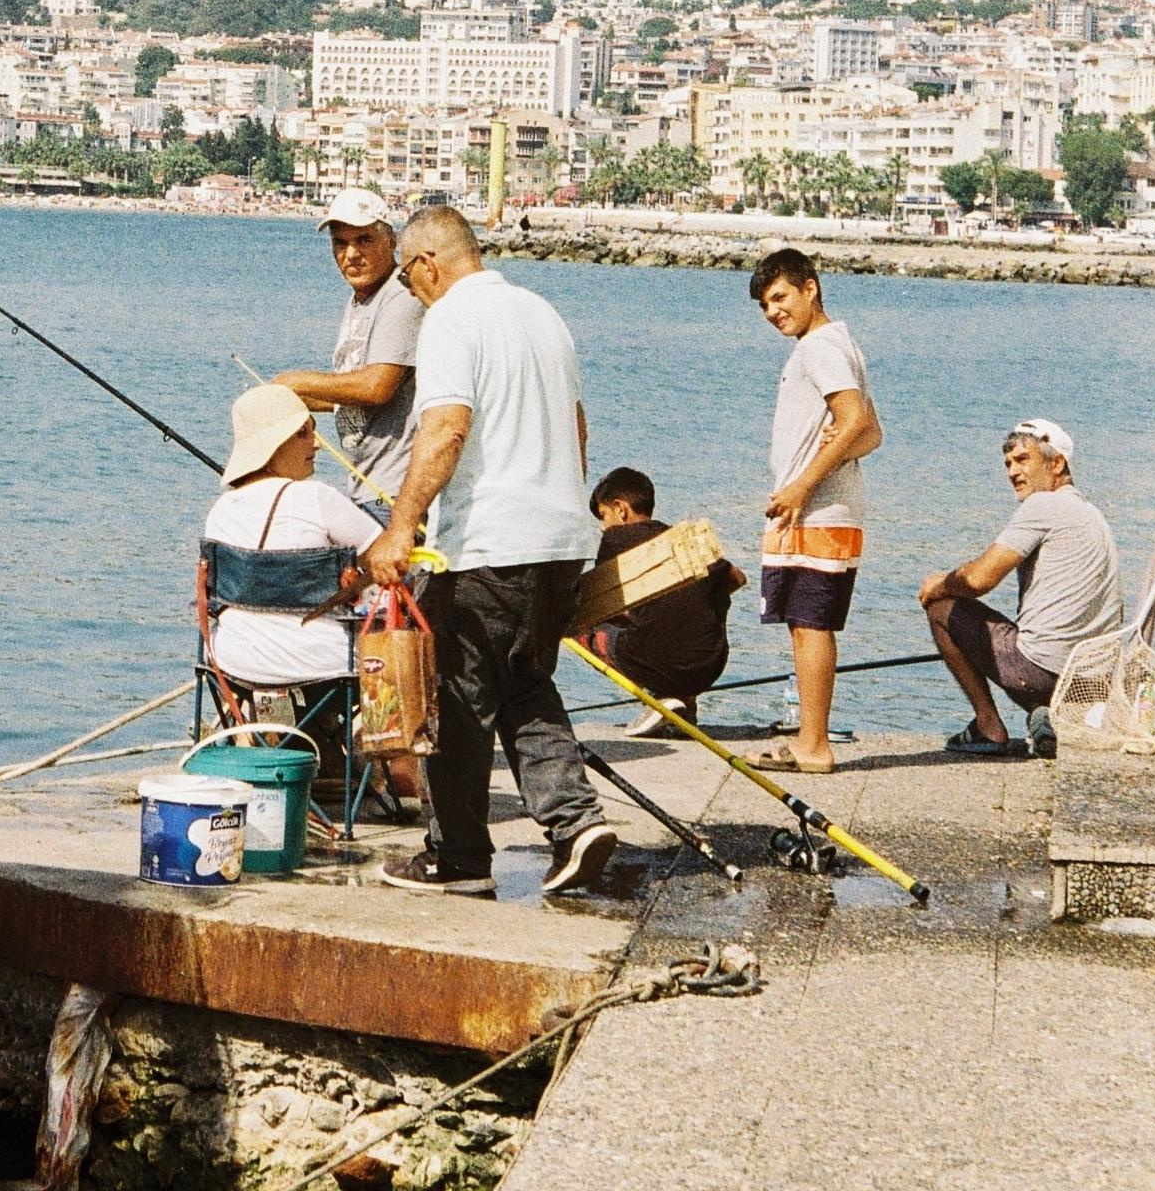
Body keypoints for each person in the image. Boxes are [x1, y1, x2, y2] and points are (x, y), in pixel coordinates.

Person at [360, 203, 615, 901]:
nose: (412, 296)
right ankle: (575, 823)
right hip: (559, 540)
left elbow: (443, 430)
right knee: (524, 685)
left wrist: (399, 527)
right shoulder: (542, 313)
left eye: (409, 283)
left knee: (456, 699)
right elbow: (576, 426)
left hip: (490, 543)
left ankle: (459, 857)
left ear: (425, 265)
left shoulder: (448, 319)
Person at [200, 380, 386, 818]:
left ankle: (291, 747)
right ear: (276, 445)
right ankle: (386, 772)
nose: (317, 444)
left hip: (234, 664)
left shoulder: (220, 512)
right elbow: (389, 561)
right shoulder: (318, 498)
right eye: (304, 432)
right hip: (322, 665)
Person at [920, 418, 1122, 758]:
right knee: (1029, 640)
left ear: (1056, 463)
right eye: (1009, 464)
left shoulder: (1043, 505)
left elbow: (979, 579)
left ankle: (988, 725)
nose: (1013, 472)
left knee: (941, 608)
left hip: (1043, 672)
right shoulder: (1091, 514)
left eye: (1023, 460)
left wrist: (938, 584)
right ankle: (1045, 715)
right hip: (1092, 681)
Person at [748, 247, 876, 777]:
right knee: (804, 624)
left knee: (810, 624)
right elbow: (870, 431)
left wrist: (801, 486)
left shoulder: (821, 346)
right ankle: (810, 737)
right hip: (822, 506)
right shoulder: (833, 343)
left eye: (780, 297)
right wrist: (839, 443)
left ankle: (814, 744)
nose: (774, 311)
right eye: (765, 305)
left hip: (818, 509)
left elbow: (854, 422)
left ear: (810, 287)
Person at [272, 189, 421, 494]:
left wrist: (295, 382)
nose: (351, 254)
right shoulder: (361, 298)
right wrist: (283, 396)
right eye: (340, 243)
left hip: (397, 490)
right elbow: (351, 396)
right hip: (365, 485)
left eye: (364, 240)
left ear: (391, 241)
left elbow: (376, 387)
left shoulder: (402, 296)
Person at [582, 467, 744, 715]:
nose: (603, 527)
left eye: (604, 516)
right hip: (709, 665)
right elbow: (737, 578)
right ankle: (683, 702)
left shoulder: (614, 540)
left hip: (655, 665)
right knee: (679, 616)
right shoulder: (682, 540)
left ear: (620, 509)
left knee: (579, 624)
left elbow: (597, 602)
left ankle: (661, 696)